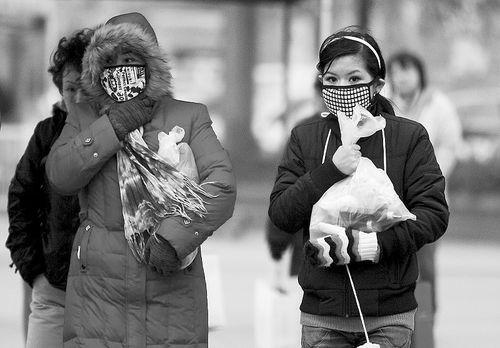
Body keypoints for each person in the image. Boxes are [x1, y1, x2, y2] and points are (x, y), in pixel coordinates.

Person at [45, 12, 236, 347]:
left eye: (130, 59)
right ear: (97, 72)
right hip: (98, 294)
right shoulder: (84, 118)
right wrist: (111, 128)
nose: (121, 69)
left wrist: (172, 239)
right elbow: (60, 175)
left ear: (151, 65)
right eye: (110, 62)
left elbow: (221, 186)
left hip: (170, 287)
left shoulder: (189, 116)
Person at [268, 27, 449, 348]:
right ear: (321, 82)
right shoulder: (305, 136)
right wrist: (330, 171)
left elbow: (433, 214)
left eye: (354, 79)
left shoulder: (409, 137)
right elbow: (282, 214)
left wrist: (374, 244)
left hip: (388, 316)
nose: (342, 88)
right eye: (332, 80)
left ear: (377, 84)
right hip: (323, 315)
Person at [5, 28, 93, 347]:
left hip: (108, 298)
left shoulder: (120, 136)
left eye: (86, 87)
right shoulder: (46, 135)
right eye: (71, 88)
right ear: (60, 88)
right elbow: (20, 199)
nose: (79, 97)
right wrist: (33, 269)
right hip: (52, 290)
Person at [386, 51, 463, 348]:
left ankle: (424, 334)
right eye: (396, 71)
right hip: (389, 201)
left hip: (426, 201)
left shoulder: (438, 104)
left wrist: (426, 178)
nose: (402, 77)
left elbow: (450, 146)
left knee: (425, 269)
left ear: (419, 73)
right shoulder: (386, 104)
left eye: (408, 70)